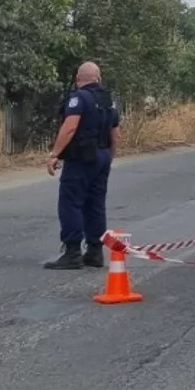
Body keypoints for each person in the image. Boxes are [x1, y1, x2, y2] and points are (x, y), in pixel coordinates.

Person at [44, 61, 121, 269]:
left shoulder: (79, 98)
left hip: (82, 158)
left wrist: (54, 155)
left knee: (71, 203)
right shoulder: (108, 101)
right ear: (98, 78)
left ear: (79, 79)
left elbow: (70, 128)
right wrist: (109, 158)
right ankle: (95, 252)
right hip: (103, 156)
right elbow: (115, 134)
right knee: (95, 204)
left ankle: (72, 253)